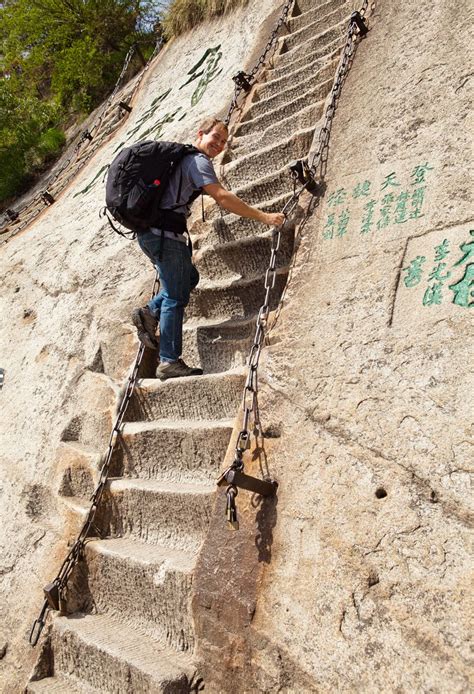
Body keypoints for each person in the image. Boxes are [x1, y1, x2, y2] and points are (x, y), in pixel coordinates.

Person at [132, 116, 285, 380]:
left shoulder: (182, 160)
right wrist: (264, 217)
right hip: (165, 235)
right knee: (176, 296)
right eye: (216, 137)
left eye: (224, 141)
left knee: (188, 278)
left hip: (151, 233)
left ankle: (149, 313)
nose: (220, 145)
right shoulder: (198, 161)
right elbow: (222, 197)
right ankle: (168, 361)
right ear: (200, 134)